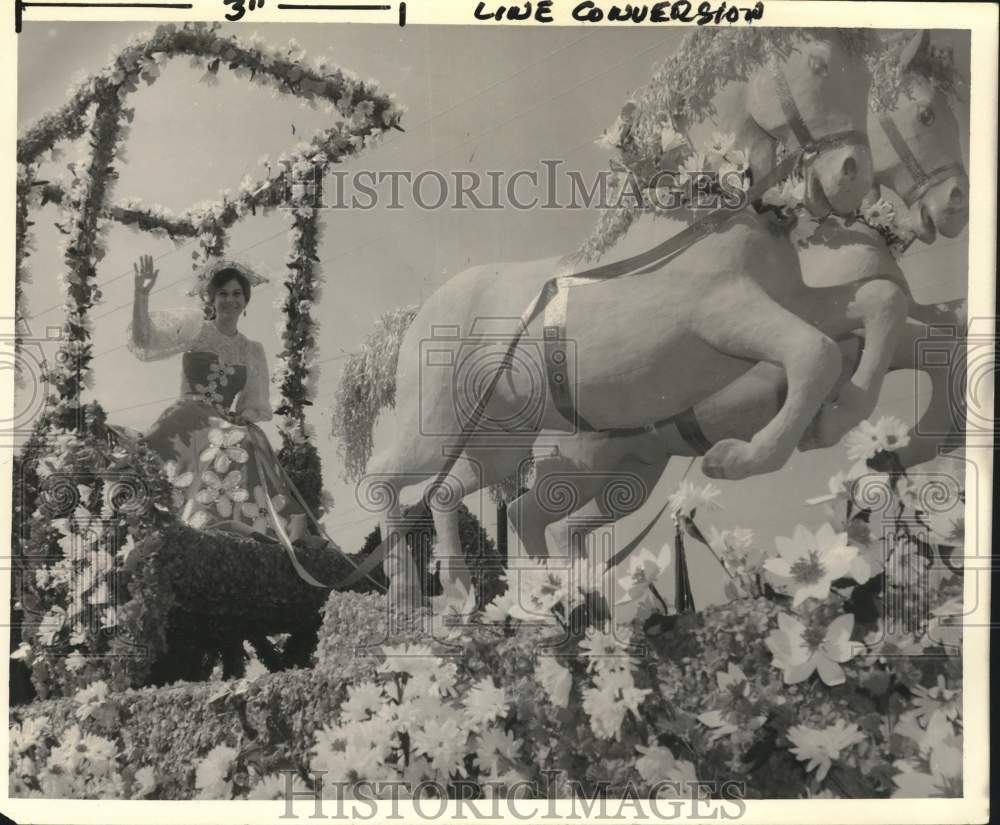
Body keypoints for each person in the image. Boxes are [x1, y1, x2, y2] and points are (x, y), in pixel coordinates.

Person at [124, 255, 336, 580]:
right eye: (223, 293)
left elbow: (253, 404)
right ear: (212, 297)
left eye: (237, 294)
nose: (230, 300)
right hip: (188, 419)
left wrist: (243, 417)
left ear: (245, 301)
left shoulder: (251, 350)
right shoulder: (195, 329)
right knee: (230, 441)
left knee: (249, 439)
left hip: (224, 423)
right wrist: (142, 294)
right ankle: (205, 519)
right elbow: (143, 340)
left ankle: (261, 530)